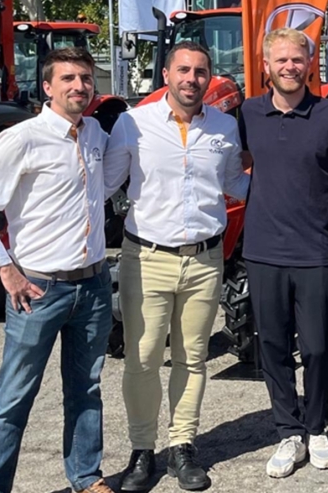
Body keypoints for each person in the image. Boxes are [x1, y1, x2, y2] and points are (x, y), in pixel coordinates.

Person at [0, 48, 114, 493]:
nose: (79, 86)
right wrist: (5, 271)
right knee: (13, 399)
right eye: (68, 79)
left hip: (94, 284)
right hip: (39, 289)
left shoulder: (96, 134)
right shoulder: (22, 138)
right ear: (47, 87)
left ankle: (85, 476)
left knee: (86, 390)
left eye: (85, 78)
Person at [104, 41, 250, 492]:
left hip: (206, 260)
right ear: (166, 74)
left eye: (200, 72)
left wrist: (286, 182)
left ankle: (183, 446)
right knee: (143, 359)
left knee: (193, 357)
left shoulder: (225, 126)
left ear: (210, 78)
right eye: (183, 70)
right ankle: (142, 450)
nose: (192, 79)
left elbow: (233, 183)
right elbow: (104, 184)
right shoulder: (133, 124)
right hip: (146, 258)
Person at [238, 27, 328, 479]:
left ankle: (316, 429)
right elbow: (226, 167)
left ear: (309, 64)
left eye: (297, 60)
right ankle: (288, 432)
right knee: (274, 348)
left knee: (318, 348)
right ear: (266, 66)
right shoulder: (248, 114)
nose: (289, 67)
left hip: (315, 251)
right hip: (261, 250)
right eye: (280, 60)